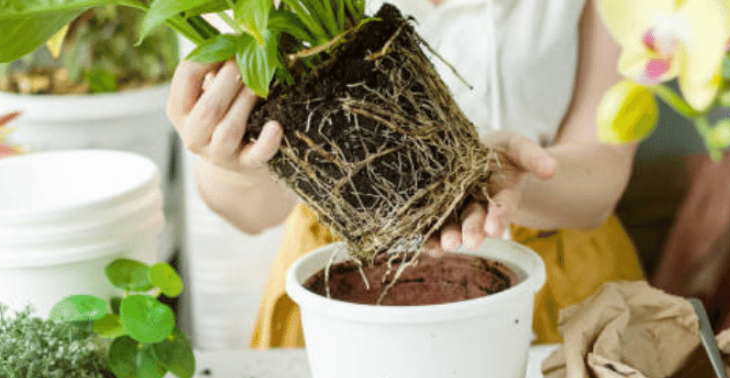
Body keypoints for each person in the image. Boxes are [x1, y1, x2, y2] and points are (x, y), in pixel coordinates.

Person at [166, 0, 645, 348]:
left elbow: (602, 167)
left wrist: (519, 175)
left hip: (551, 279)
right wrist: (233, 154)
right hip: (347, 275)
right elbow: (250, 211)